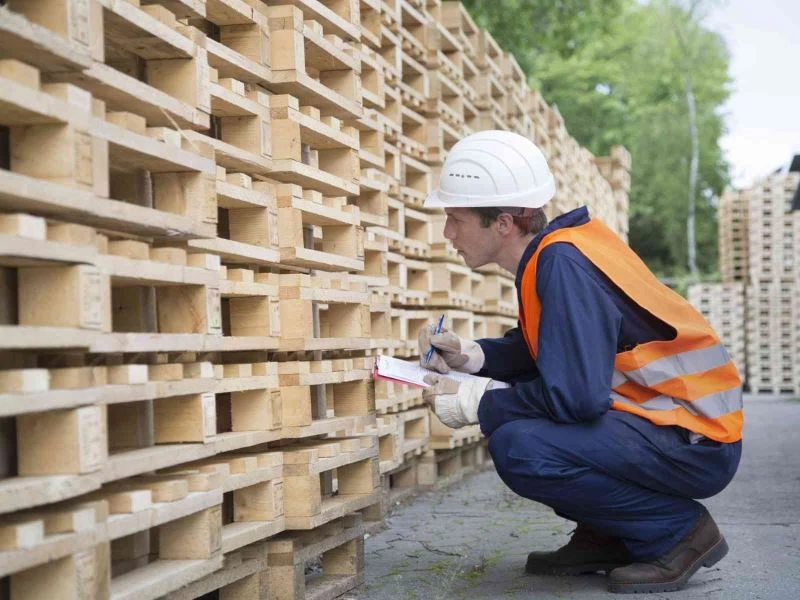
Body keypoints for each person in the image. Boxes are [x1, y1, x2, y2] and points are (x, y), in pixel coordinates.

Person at [417, 130, 743, 594]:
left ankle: (679, 533)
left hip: (693, 440)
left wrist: (479, 403)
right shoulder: (556, 254)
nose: (448, 233)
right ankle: (611, 535)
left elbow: (576, 397)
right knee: (524, 434)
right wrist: (473, 356)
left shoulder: (562, 265)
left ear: (504, 222)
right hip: (676, 428)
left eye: (455, 218)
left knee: (522, 447)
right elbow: (554, 348)